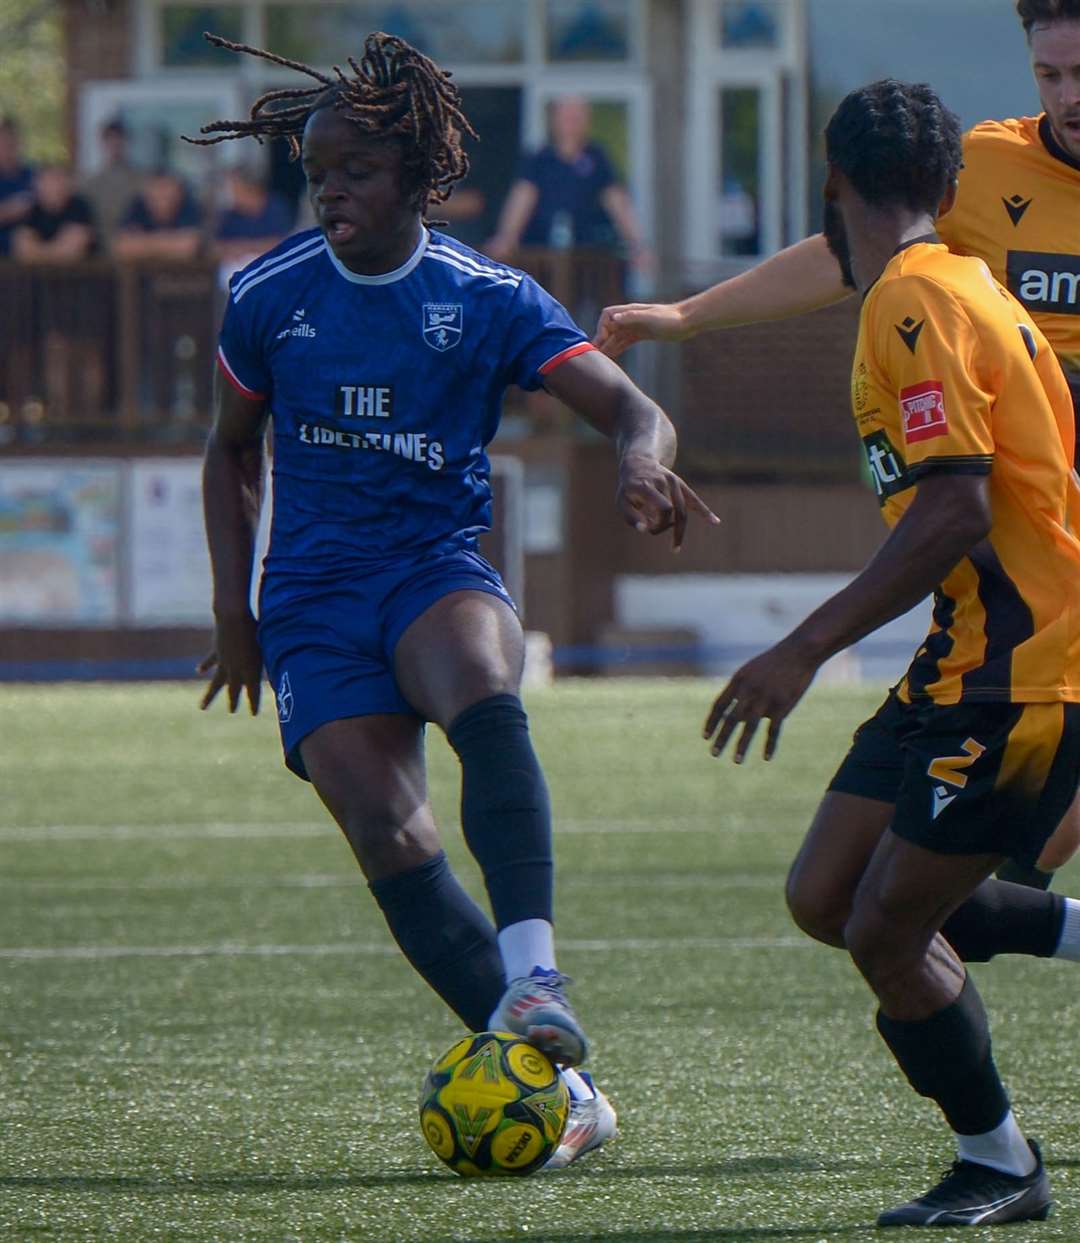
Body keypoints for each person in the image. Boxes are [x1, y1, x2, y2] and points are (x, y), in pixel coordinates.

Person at [187, 30, 716, 1169]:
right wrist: (235, 617)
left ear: (420, 180)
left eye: (356, 173)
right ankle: (565, 1091)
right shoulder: (267, 296)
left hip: (433, 565)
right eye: (316, 172)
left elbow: (633, 409)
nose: (330, 191)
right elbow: (229, 455)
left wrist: (637, 459)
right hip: (314, 599)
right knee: (386, 827)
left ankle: (533, 975)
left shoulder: (484, 295)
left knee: (482, 677)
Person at [704, 79, 1080, 1226]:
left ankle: (1001, 1164)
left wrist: (801, 648)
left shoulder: (917, 303)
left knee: (884, 926)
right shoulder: (954, 282)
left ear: (832, 185)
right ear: (955, 189)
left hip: (1020, 672)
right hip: (960, 656)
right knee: (827, 895)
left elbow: (956, 511)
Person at [597, 0, 1080, 894]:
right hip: (1025, 516)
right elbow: (850, 251)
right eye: (1050, 74)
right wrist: (687, 317)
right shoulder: (983, 167)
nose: (1067, 96)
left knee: (984, 885)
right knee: (952, 894)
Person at [485, 96, 651, 272]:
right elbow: (522, 198)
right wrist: (506, 237)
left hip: (587, 253)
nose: (572, 123)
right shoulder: (539, 159)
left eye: (578, 117)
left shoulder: (597, 158)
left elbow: (617, 201)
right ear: (554, 120)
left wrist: (637, 245)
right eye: (567, 117)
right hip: (542, 251)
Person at [213, 161, 292, 280]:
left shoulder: (274, 207)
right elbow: (216, 246)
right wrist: (229, 250)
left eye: (234, 187)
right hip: (235, 267)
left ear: (249, 188)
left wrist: (247, 247)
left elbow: (281, 243)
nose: (230, 193)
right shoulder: (230, 214)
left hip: (270, 265)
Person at [112, 168, 203, 261]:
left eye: (166, 190)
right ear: (146, 193)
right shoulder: (137, 206)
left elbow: (189, 247)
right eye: (157, 190)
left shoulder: (188, 205)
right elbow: (122, 246)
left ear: (179, 192)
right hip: (143, 271)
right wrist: (169, 241)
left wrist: (144, 242)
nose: (162, 195)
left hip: (183, 272)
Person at [80, 117, 145, 248]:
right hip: (99, 251)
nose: (115, 144)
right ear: (103, 143)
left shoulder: (142, 181)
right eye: (110, 140)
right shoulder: (88, 183)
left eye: (119, 139)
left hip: (133, 247)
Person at [12, 165, 97, 262]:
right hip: (39, 274)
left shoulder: (80, 207)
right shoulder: (32, 210)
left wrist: (38, 252)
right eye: (46, 179)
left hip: (80, 274)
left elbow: (74, 247)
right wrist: (54, 251)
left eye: (57, 179)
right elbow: (23, 248)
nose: (52, 185)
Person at [0, 116, 34, 258]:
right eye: (4, 142)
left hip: (30, 254)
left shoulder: (33, 174)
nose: (9, 147)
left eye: (12, 141)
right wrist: (8, 211)